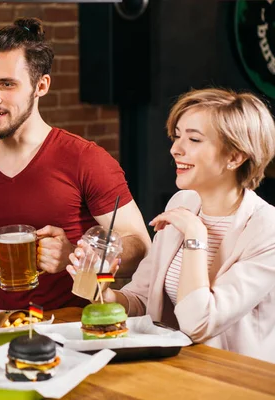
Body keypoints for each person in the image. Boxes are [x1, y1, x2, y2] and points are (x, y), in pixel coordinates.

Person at [0, 17, 151, 310]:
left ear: (41, 86)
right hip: (1, 329)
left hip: (75, 331)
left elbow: (141, 245)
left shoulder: (87, 159)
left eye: (6, 84)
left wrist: (77, 256)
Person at [69, 88, 275, 363]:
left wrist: (195, 236)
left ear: (235, 157)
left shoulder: (266, 229)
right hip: (176, 368)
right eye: (177, 136)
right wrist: (103, 293)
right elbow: (141, 298)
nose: (175, 148)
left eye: (194, 139)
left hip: (236, 379)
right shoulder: (184, 203)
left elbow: (199, 324)